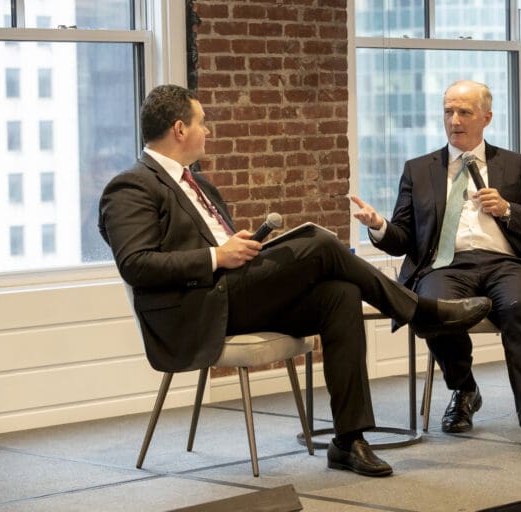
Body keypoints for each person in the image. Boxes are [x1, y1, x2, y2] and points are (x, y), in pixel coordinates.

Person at [98, 84, 493, 477]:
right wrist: (217, 256)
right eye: (202, 122)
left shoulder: (199, 184)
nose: (208, 130)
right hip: (196, 310)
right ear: (180, 129)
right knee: (318, 244)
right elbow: (136, 264)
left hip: (230, 294)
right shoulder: (132, 186)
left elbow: (211, 247)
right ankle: (420, 312)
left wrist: (235, 246)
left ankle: (348, 440)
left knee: (340, 293)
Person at [351, 80, 521, 455]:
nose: (455, 120)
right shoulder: (418, 170)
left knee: (518, 307)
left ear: (486, 118)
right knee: (432, 308)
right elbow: (403, 238)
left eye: (464, 112)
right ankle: (465, 389)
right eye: (448, 111)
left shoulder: (515, 165)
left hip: (504, 264)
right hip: (445, 265)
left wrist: (508, 209)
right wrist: (379, 225)